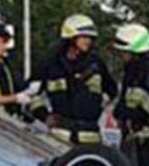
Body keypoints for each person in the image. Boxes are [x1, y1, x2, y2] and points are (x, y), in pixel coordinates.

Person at [28, 14, 117, 145]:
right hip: (59, 138)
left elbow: (112, 90)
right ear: (71, 37)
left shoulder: (96, 64)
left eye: (91, 38)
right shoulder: (51, 64)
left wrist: (97, 104)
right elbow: (30, 93)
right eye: (84, 37)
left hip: (90, 138)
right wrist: (44, 116)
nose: (88, 41)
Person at [113, 23, 149, 166]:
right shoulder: (132, 70)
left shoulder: (148, 72)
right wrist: (120, 113)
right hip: (131, 137)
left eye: (124, 52)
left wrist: (132, 115)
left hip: (145, 138)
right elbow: (126, 97)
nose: (121, 56)